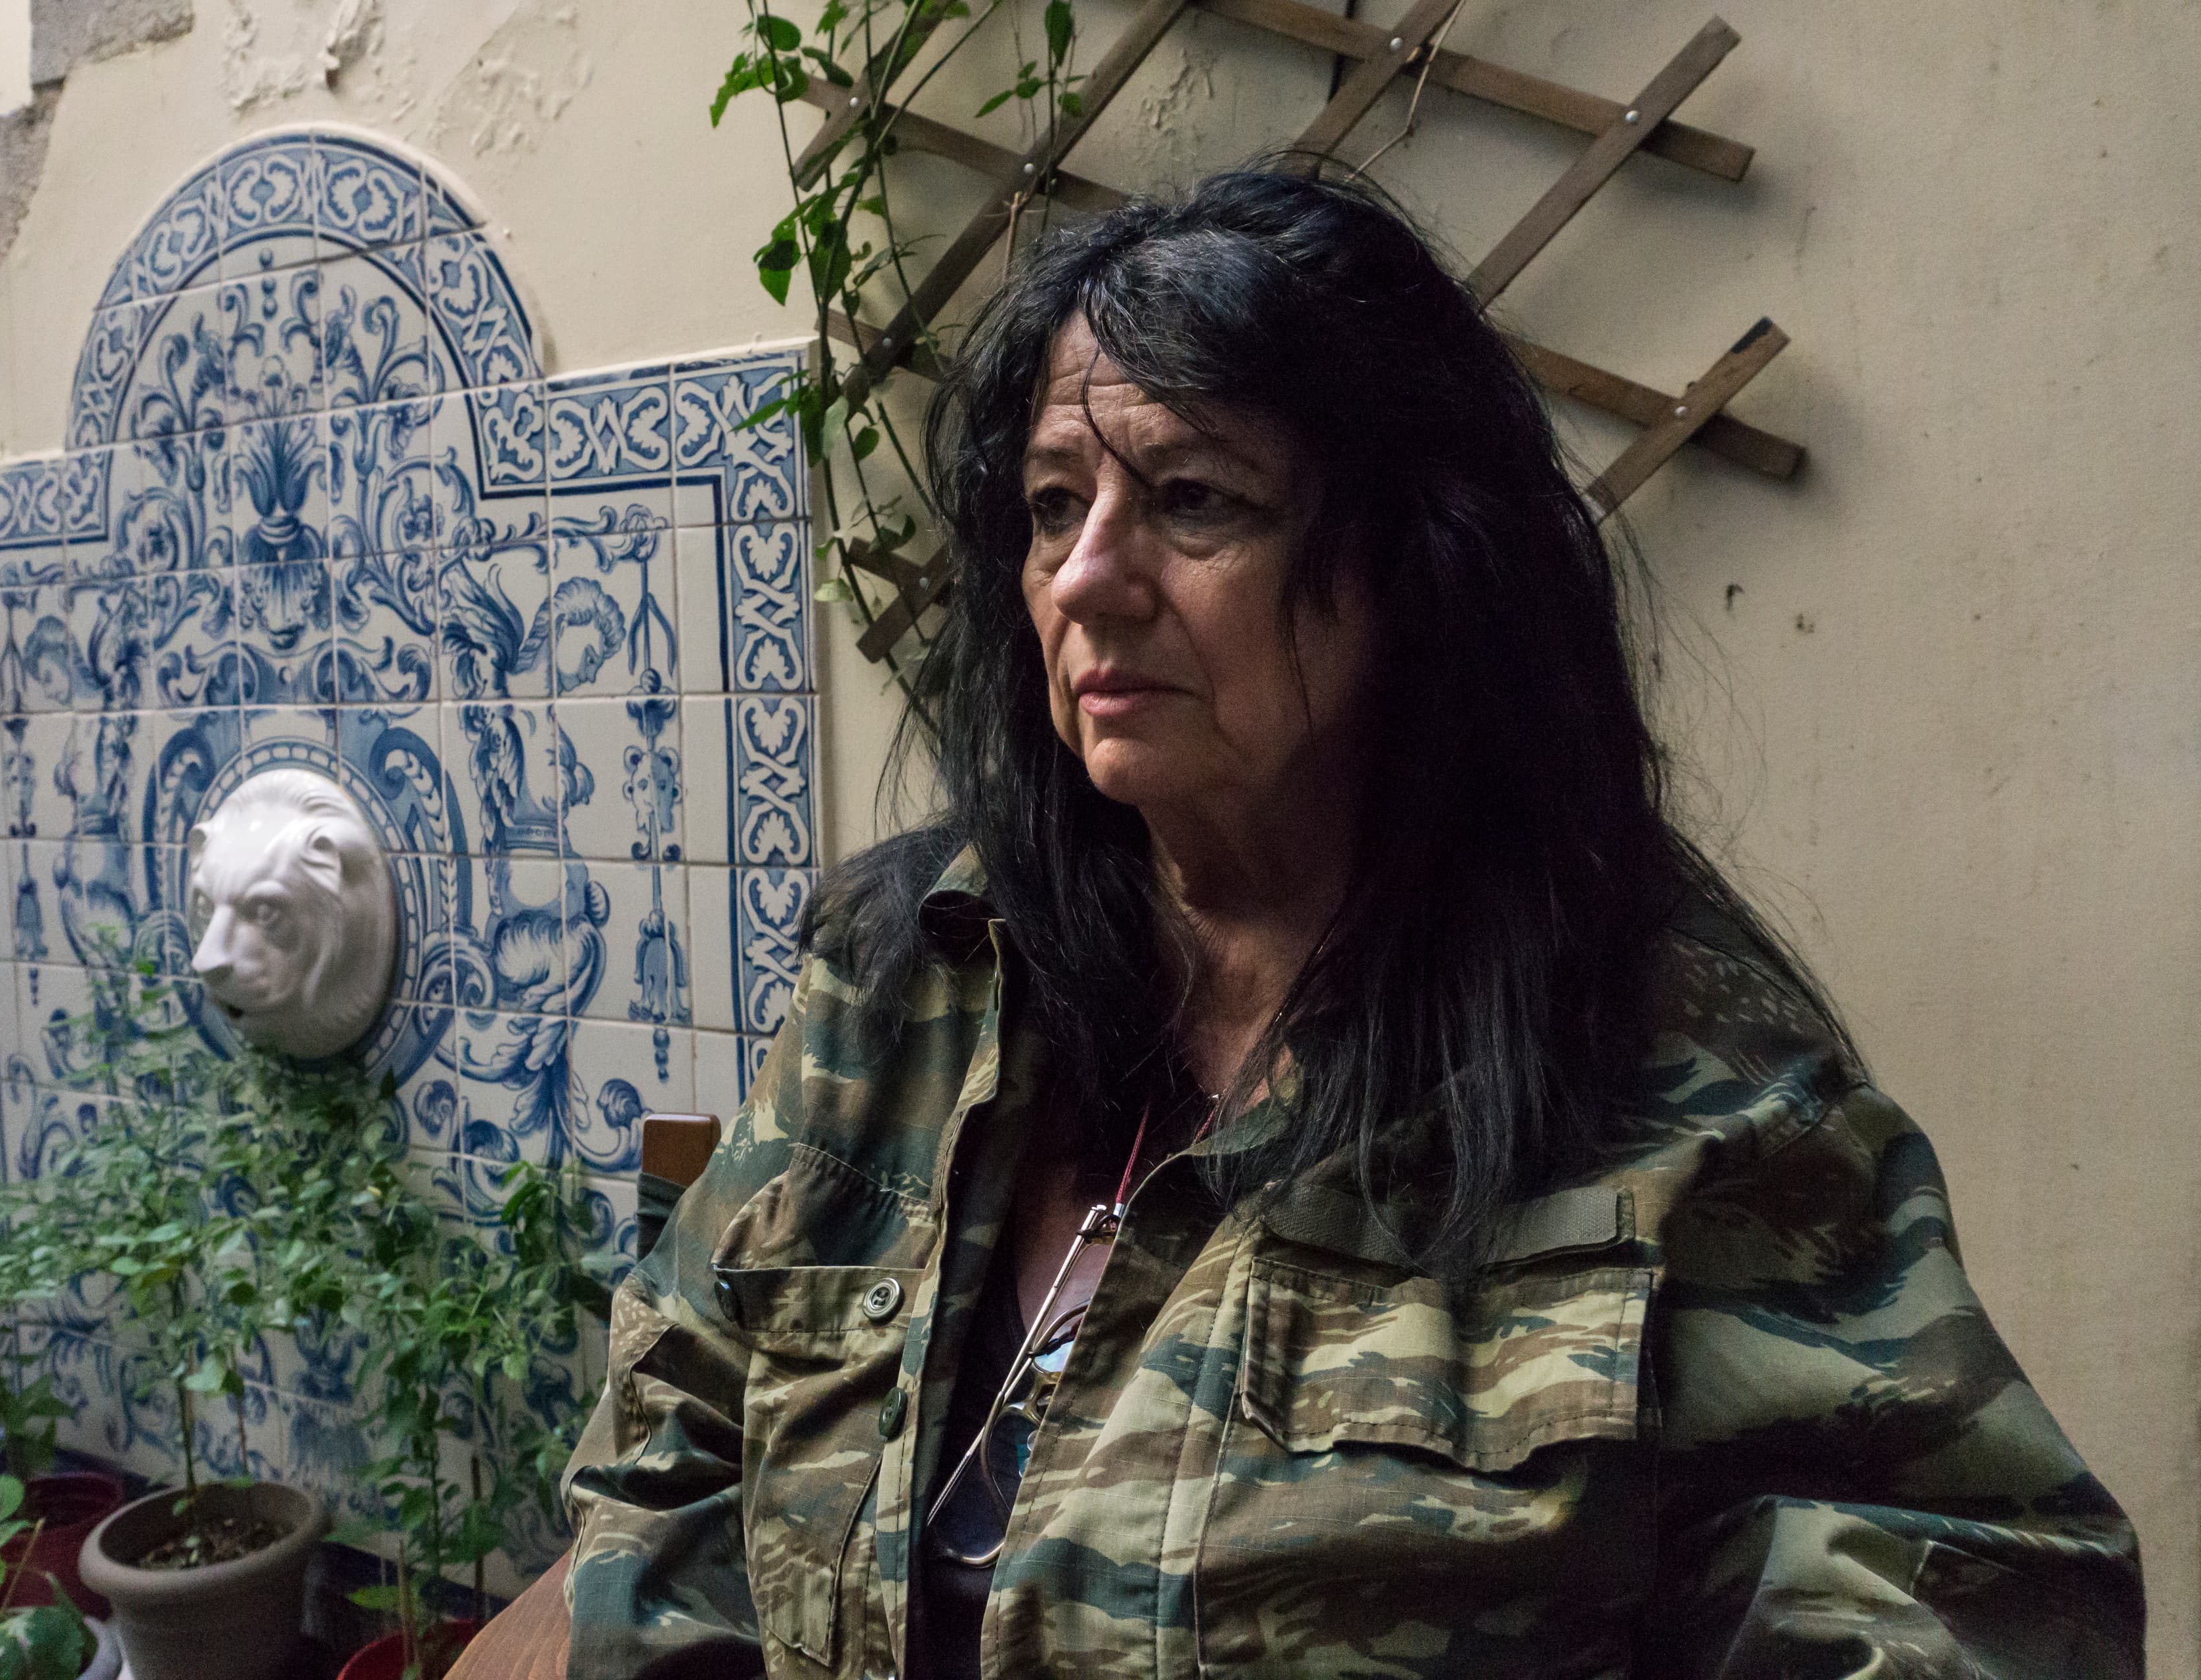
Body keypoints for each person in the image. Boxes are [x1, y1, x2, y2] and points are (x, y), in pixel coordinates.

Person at [558, 167, 2143, 1679]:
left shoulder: (1675, 1091)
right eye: (1053, 505)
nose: (1090, 577)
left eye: (1191, 498)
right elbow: (674, 1422)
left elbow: (1974, 1597)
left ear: (1412, 562)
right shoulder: (911, 981)